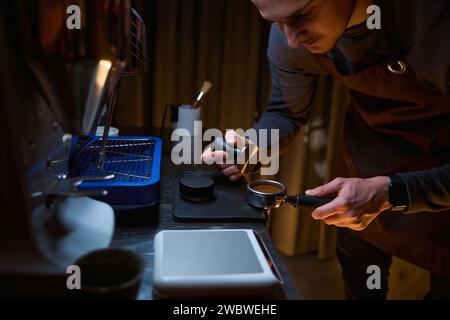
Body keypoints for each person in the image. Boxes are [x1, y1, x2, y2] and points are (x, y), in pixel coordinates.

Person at [202, 0, 450, 299]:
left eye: (303, 15)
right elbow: (286, 113)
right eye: (277, 23)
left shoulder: (432, 22)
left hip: (443, 175)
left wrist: (393, 192)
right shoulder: (289, 35)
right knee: (361, 278)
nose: (291, 39)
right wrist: (253, 146)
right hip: (368, 162)